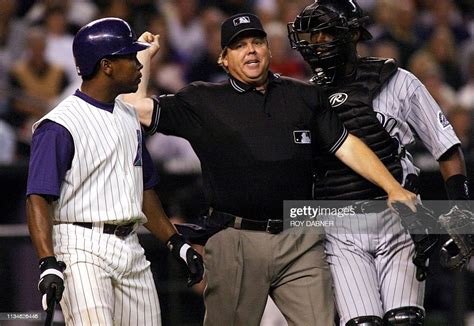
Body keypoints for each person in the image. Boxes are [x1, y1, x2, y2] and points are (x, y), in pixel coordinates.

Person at [125, 13, 417, 326]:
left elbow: (346, 146)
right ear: (223, 59)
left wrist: (393, 188)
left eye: (256, 42)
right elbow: (133, 108)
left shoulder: (303, 95)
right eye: (239, 46)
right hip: (235, 238)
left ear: (269, 50)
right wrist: (143, 58)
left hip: (300, 237)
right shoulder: (203, 100)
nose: (250, 50)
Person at [287, 1, 469, 325]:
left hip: (400, 215)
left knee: (404, 320)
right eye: (312, 36)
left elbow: (446, 148)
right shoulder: (303, 97)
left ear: (353, 32)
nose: (317, 43)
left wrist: (463, 215)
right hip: (340, 222)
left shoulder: (397, 80)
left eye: (326, 33)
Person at [26, 18, 204, 325]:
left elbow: (143, 190)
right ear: (106, 65)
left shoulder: (127, 115)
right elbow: (38, 197)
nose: (139, 64)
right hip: (81, 247)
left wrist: (176, 242)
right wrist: (47, 261)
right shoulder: (60, 124)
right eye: (131, 57)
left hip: (130, 246)